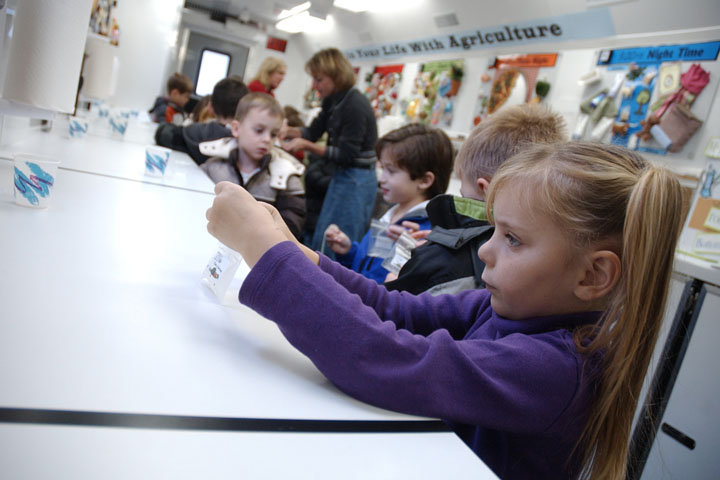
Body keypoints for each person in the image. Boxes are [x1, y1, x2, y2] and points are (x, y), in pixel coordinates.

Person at [205, 141, 684, 480]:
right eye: (493, 231)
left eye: (513, 239)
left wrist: (264, 251)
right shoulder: (510, 307)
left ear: (593, 276)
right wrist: (298, 253)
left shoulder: (556, 367)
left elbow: (390, 358)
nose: (486, 253)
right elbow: (396, 310)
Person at [385, 104, 567, 294]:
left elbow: (393, 312)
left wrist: (398, 275)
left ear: (484, 189)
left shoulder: (443, 261)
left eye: (464, 196)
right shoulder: (553, 252)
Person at [324, 124, 453, 283]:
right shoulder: (390, 214)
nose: (381, 179)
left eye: (391, 171)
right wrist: (349, 251)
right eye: (382, 168)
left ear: (425, 180)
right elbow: (371, 262)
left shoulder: (425, 231)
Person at [280, 48, 378, 256]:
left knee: (340, 240)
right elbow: (314, 131)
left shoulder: (355, 105)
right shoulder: (333, 101)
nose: (315, 86)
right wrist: (290, 131)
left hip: (357, 180)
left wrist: (305, 146)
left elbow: (346, 154)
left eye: (319, 79)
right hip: (343, 175)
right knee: (325, 236)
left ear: (336, 76)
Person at [201, 92, 305, 239]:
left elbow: (292, 223)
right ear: (236, 129)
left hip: (259, 252)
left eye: (274, 134)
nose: (267, 139)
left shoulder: (286, 178)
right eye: (259, 130)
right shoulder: (213, 168)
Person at [155, 76, 248, 165]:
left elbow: (163, 133)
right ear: (245, 112)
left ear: (210, 108)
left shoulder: (195, 132)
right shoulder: (246, 146)